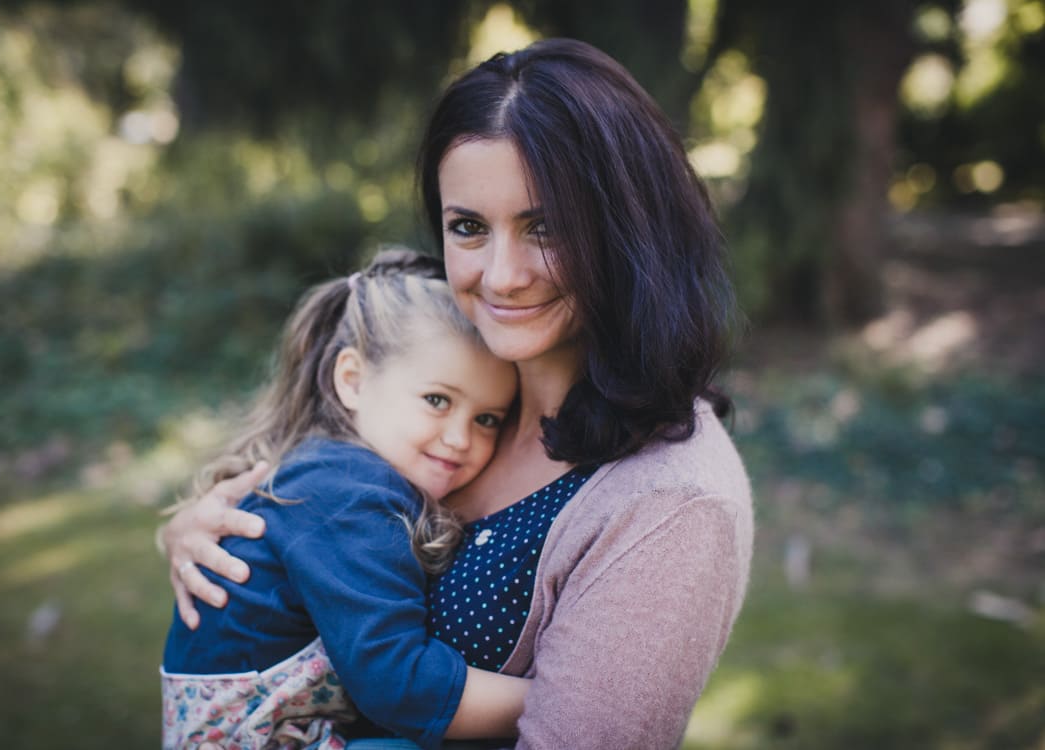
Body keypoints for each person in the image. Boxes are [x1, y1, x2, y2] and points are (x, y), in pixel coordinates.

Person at [162, 38, 753, 749]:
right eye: (468, 227)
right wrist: (210, 535)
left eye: (546, 227)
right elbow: (307, 529)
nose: (500, 276)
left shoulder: (667, 502)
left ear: (627, 229)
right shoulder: (457, 401)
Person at [160, 249, 527, 749]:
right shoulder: (346, 494)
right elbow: (402, 686)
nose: (461, 438)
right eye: (437, 400)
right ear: (352, 380)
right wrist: (556, 698)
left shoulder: (332, 469)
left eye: (487, 419)